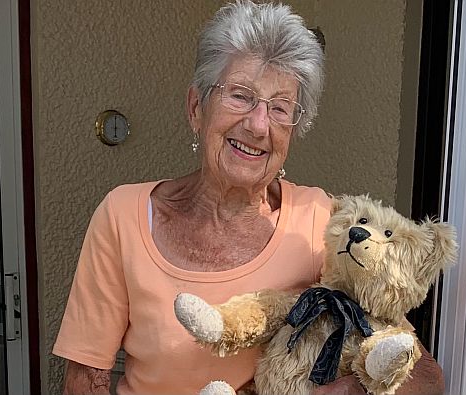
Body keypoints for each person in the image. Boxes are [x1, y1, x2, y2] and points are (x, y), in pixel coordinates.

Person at [53, 1, 445, 394]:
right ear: (196, 108)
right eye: (240, 96)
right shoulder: (123, 216)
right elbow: (85, 380)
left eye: (280, 108)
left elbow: (424, 376)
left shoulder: (321, 220)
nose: (258, 125)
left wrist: (355, 389)